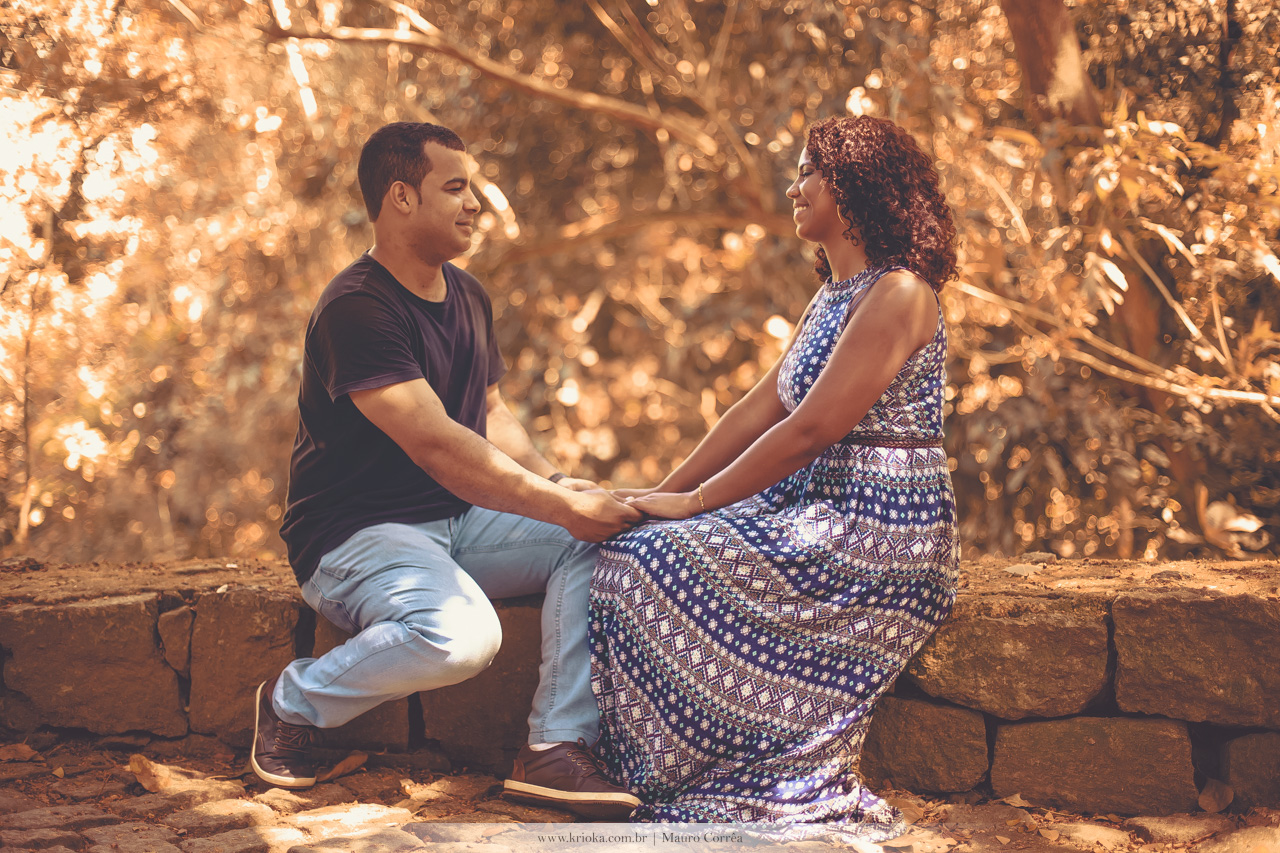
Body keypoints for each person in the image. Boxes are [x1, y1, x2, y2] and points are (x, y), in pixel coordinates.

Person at [589, 115, 961, 842]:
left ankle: (723, 772)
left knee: (651, 558)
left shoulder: (900, 293)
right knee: (629, 546)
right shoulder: (834, 296)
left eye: (808, 173)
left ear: (852, 187)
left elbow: (812, 428)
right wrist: (661, 494)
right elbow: (757, 410)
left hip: (877, 521)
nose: (794, 189)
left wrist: (693, 504)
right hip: (814, 498)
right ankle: (668, 762)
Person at [257, 121, 643, 819]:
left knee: (599, 538)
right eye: (456, 187)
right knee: (462, 637)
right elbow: (436, 443)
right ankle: (291, 702)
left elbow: (489, 413)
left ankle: (554, 747)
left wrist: (558, 484)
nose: (474, 203)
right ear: (401, 197)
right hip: (355, 536)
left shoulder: (467, 295)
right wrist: (558, 506)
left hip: (454, 520)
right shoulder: (356, 308)